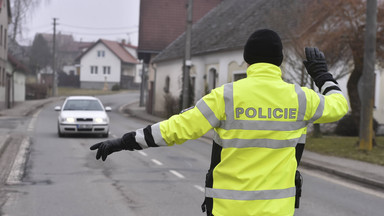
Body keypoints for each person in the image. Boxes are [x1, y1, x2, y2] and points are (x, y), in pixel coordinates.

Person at [90, 29, 348, 216]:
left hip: (228, 209)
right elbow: (339, 106)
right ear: (280, 61)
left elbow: (174, 129)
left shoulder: (226, 96)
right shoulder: (301, 99)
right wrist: (323, 76)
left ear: (247, 60)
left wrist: (123, 142)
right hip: (277, 210)